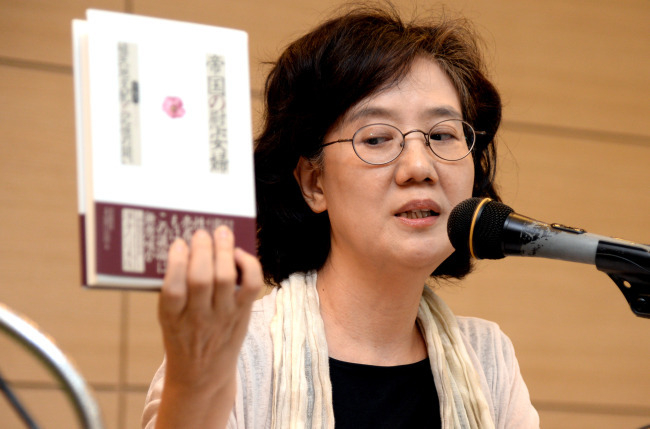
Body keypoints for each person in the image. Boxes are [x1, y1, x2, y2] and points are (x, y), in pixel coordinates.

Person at [142, 4, 540, 429]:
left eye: (441, 135)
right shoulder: (235, 357)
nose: (419, 167)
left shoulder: (487, 360)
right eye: (377, 138)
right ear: (315, 183)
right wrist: (196, 382)